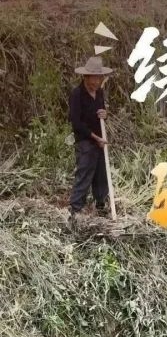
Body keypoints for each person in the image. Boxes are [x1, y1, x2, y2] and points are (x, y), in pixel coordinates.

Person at [68, 56, 113, 222]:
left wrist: (105, 115)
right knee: (85, 173)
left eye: (100, 78)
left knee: (101, 174)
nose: (98, 81)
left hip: (99, 139)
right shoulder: (77, 95)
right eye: (95, 78)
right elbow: (76, 123)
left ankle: (101, 205)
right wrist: (95, 138)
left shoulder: (99, 92)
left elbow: (102, 114)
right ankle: (75, 209)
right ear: (86, 77)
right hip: (85, 140)